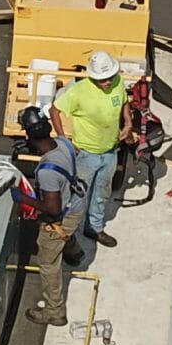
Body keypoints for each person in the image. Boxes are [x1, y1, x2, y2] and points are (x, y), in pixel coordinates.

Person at [51, 50, 127, 249]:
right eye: (103, 80)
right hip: (86, 154)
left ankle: (94, 227)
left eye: (109, 77)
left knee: (102, 192)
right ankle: (67, 234)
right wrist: (64, 140)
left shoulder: (118, 82)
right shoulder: (78, 91)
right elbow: (54, 110)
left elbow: (124, 100)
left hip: (110, 152)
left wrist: (128, 123)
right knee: (78, 196)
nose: (108, 82)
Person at [18, 109, 84, 326]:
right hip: (76, 202)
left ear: (29, 135)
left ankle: (54, 311)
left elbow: (52, 210)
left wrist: (23, 198)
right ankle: (74, 253)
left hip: (63, 214)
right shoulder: (63, 142)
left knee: (48, 261)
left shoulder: (46, 172)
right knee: (65, 234)